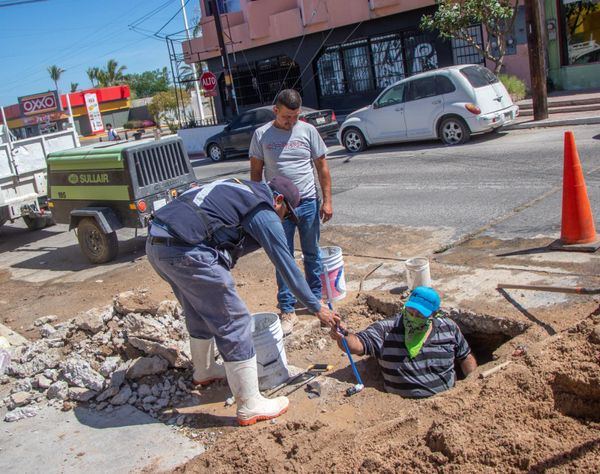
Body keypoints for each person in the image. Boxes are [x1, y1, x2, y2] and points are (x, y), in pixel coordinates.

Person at [146, 176, 339, 426]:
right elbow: (287, 267)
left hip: (158, 245)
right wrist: (317, 307)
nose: (284, 219)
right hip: (185, 251)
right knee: (234, 319)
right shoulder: (263, 209)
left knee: (198, 309)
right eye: (286, 214)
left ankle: (204, 371)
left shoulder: (240, 189)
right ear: (278, 199)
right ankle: (250, 404)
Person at [250, 89, 333, 335]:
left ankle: (314, 301)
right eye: (287, 117)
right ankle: (287, 308)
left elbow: (323, 168)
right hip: (279, 207)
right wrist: (258, 207)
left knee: (311, 253)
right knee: (282, 257)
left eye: (295, 116)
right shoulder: (261, 135)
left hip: (307, 202)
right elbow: (255, 174)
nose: (292, 121)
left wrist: (327, 201)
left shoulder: (308, 131)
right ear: (275, 110)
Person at [330, 287, 477, 398]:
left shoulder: (448, 328)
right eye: (410, 311)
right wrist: (343, 335)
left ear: (434, 314)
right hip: (401, 410)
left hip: (446, 402)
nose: (413, 317)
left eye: (419, 315)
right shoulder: (386, 330)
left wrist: (473, 384)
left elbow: (465, 357)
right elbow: (357, 344)